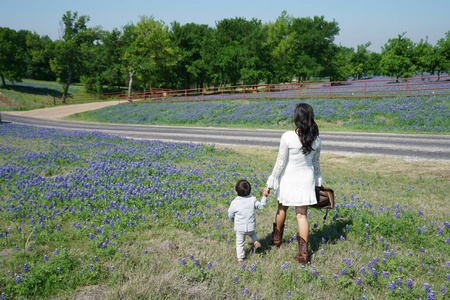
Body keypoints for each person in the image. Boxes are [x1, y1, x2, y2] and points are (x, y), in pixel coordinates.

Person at [263, 102, 323, 263]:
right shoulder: (316, 139)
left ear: (297, 118)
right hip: (306, 179)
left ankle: (276, 240)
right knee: (302, 215)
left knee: (282, 208)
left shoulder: (288, 136)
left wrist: (270, 183)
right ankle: (303, 254)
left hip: (289, 178)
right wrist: (318, 182)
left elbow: (280, 162)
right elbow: (316, 164)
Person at [228, 179, 267, 262]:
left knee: (240, 243)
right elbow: (261, 206)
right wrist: (264, 197)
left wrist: (232, 220)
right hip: (250, 226)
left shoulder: (234, 202)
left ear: (237, 192)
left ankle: (240, 258)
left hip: (240, 228)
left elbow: (230, 213)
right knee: (252, 233)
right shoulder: (252, 199)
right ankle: (256, 241)